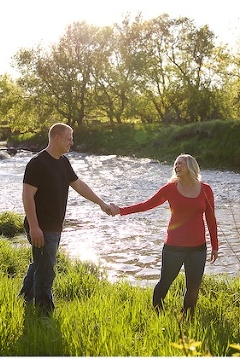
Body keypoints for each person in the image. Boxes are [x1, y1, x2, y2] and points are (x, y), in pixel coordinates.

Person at [20, 123, 113, 315]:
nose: (72, 142)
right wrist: (34, 227)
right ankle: (45, 313)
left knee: (40, 263)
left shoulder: (63, 162)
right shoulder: (37, 163)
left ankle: (24, 298)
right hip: (41, 227)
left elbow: (78, 185)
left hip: (55, 227)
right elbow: (27, 196)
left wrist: (101, 203)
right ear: (57, 138)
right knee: (47, 270)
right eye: (69, 138)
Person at [110, 154, 218, 316]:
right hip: (174, 247)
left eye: (180, 163)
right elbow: (147, 204)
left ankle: (188, 317)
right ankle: (157, 313)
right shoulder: (170, 188)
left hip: (198, 248)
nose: (176, 166)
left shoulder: (205, 189)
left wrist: (215, 246)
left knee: (194, 286)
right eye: (175, 164)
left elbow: (210, 218)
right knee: (165, 282)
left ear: (190, 166)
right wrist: (121, 210)